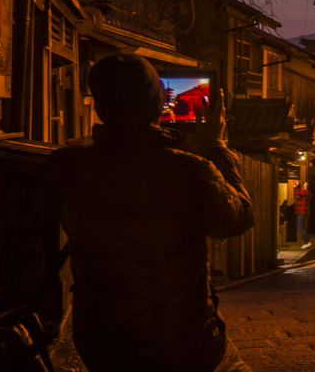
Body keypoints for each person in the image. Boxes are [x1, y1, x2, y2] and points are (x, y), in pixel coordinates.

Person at [42, 53, 254, 372]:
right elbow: (238, 219)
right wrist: (217, 146)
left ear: (100, 106)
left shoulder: (68, 166)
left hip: (100, 342)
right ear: (159, 105)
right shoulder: (189, 169)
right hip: (184, 341)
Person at [294, 181, 311, 249]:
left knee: (300, 228)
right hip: (303, 212)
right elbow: (301, 190)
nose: (305, 183)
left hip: (301, 211)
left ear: (308, 186)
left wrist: (295, 187)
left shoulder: (306, 191)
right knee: (303, 228)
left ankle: (307, 242)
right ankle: (308, 241)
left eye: (306, 183)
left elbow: (297, 192)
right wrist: (298, 185)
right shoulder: (306, 191)